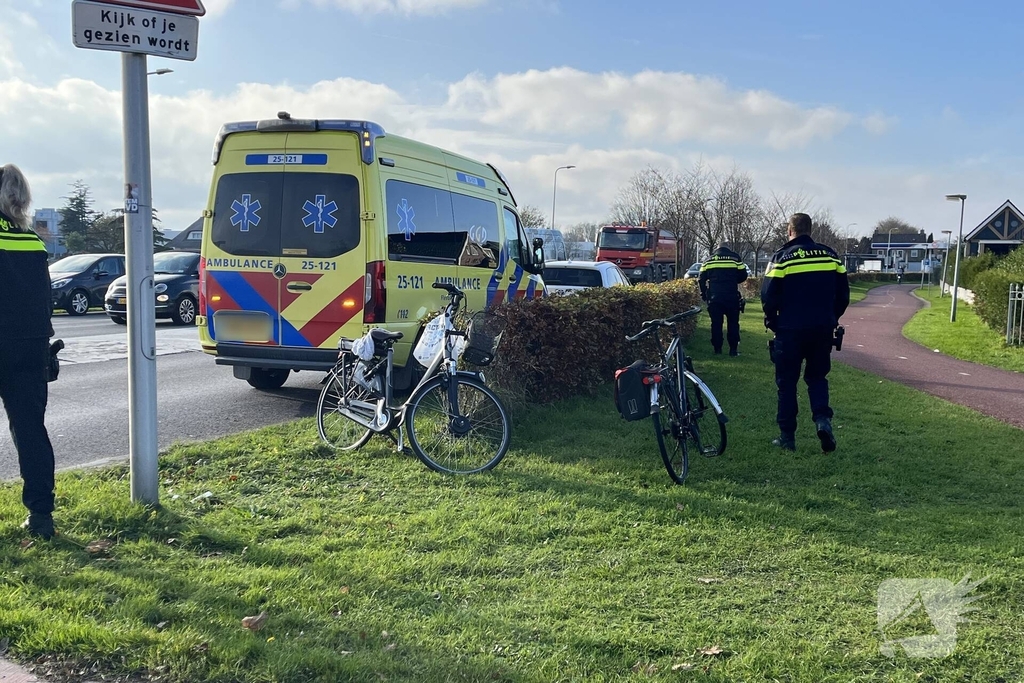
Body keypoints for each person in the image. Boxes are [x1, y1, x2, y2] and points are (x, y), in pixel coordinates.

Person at [0, 164, 57, 539]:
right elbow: (44, 301)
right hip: (30, 348)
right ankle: (41, 517)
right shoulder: (33, 242)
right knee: (31, 431)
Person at [761, 213, 850, 453]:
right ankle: (823, 421)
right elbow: (843, 295)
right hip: (821, 329)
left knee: (787, 383)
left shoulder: (781, 257)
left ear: (790, 231)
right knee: (817, 378)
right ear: (810, 231)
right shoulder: (831, 256)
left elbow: (768, 296)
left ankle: (787, 437)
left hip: (789, 330)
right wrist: (832, 318)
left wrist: (773, 321)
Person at [698, 244, 747, 356]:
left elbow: (701, 279)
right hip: (732, 296)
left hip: (714, 297)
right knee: (733, 323)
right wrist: (733, 280)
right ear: (728, 248)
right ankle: (733, 350)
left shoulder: (708, 260)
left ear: (717, 248)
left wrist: (704, 293)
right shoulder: (735, 258)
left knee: (716, 324)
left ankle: (717, 349)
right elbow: (743, 275)